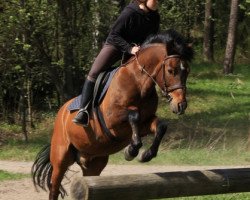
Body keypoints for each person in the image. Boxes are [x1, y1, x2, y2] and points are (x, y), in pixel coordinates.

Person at [73, 0, 160, 126]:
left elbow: (152, 39)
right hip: (116, 46)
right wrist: (129, 48)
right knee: (94, 73)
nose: (157, 1)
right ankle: (83, 111)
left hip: (136, 50)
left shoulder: (154, 17)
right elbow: (114, 35)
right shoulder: (129, 12)